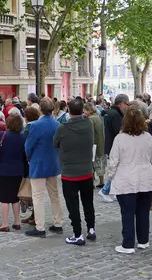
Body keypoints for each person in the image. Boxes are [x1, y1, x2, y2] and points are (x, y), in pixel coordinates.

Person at [108, 105, 152, 254]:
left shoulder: (120, 138)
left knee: (127, 212)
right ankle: (143, 240)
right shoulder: (147, 137)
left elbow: (113, 161)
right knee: (143, 211)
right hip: (145, 177)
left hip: (126, 178)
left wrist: (111, 176)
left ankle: (128, 243)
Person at [53, 98, 96, 246]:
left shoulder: (63, 128)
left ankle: (78, 234)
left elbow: (55, 142)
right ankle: (91, 228)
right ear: (82, 110)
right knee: (88, 202)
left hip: (69, 173)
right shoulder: (88, 124)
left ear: (68, 111)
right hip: (86, 171)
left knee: (73, 205)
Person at [24, 98, 65, 237]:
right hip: (53, 162)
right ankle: (58, 222)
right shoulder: (57, 124)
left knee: (38, 196)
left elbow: (28, 146)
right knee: (54, 195)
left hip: (38, 163)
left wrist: (29, 158)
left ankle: (40, 227)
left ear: (40, 109)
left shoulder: (35, 125)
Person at [0, 114, 27, 232]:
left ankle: (5, 224)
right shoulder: (23, 137)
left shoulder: (3, 135)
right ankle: (17, 222)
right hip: (18, 171)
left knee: (4, 199)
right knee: (15, 198)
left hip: (3, 170)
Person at [84, 102, 106, 188]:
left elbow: (90, 133)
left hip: (93, 144)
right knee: (100, 163)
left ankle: (91, 182)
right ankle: (101, 181)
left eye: (85, 110)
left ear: (89, 110)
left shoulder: (90, 119)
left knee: (92, 163)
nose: (84, 112)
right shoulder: (98, 117)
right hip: (101, 143)